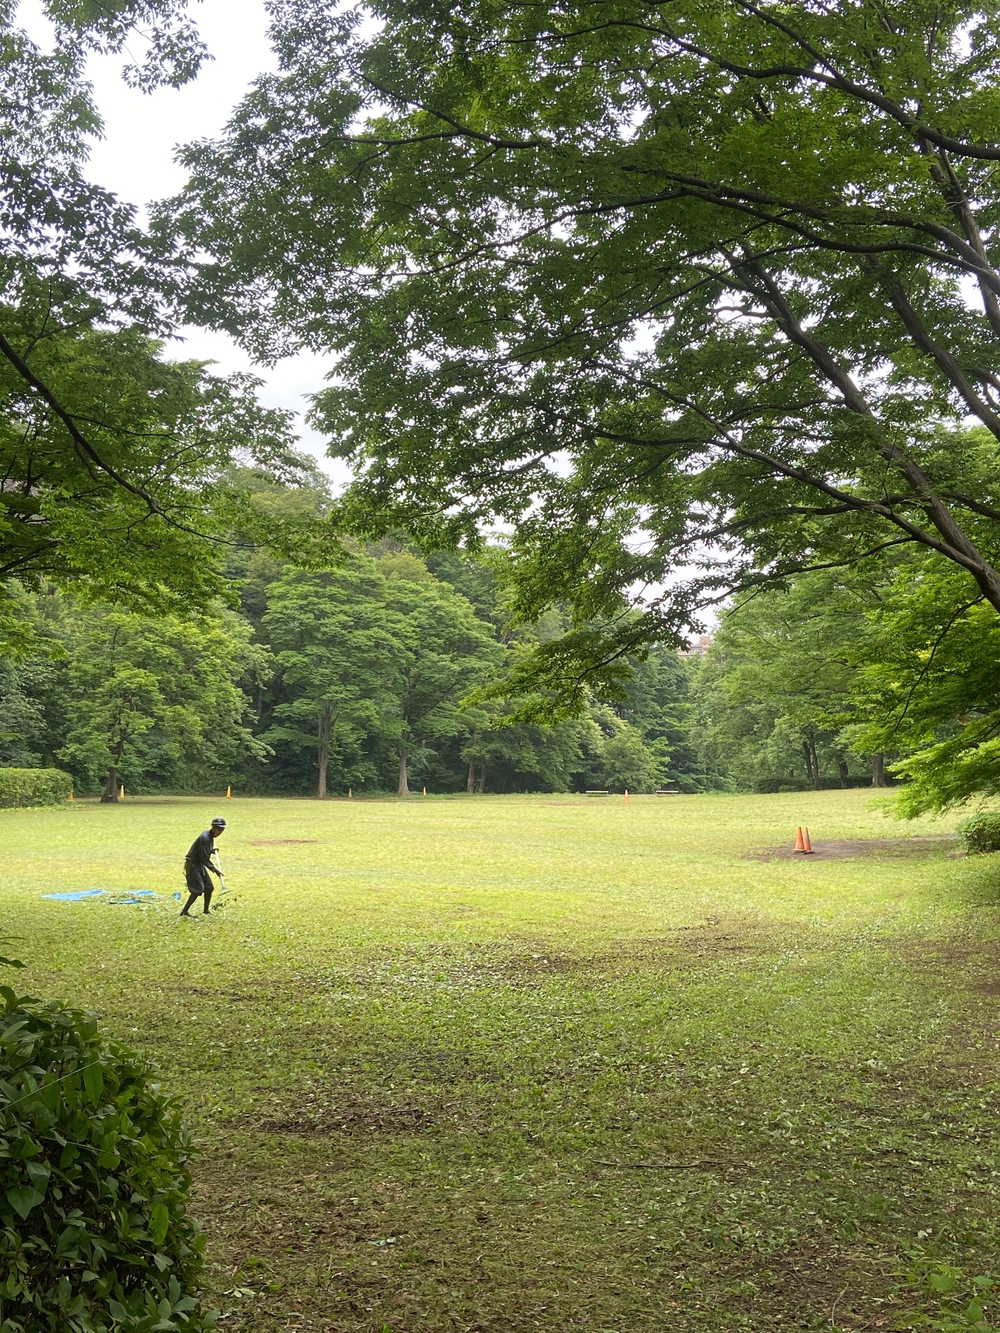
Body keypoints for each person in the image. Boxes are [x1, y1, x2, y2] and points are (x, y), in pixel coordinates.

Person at [180, 817, 226, 917]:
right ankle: (184, 912)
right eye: (218, 829)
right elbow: (204, 859)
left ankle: (206, 910)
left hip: (199, 864)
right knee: (198, 890)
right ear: (213, 828)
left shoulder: (210, 836)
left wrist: (211, 850)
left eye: (222, 830)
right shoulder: (205, 838)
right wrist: (215, 870)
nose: (220, 832)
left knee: (209, 887)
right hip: (192, 865)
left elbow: (203, 852)